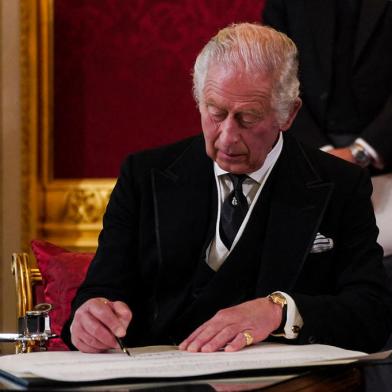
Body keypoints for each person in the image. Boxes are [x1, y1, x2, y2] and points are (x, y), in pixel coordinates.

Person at [62, 23, 392, 354]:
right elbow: (100, 291)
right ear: (198, 98)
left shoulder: (340, 185)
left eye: (248, 118)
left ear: (288, 114)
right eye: (215, 112)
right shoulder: (144, 176)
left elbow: (372, 314)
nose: (228, 137)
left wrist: (280, 311)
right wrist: (88, 318)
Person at [262, 0, 392, 171]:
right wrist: (319, 150)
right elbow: (272, 74)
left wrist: (364, 150)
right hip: (302, 150)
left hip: (384, 151)